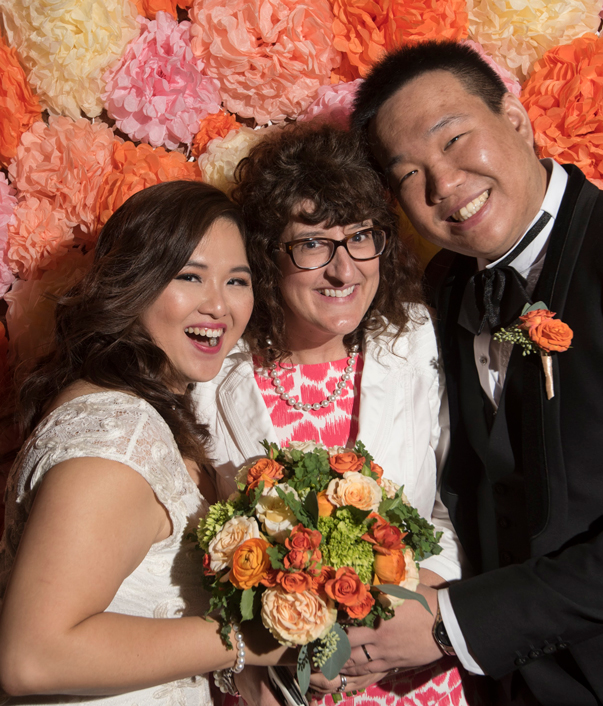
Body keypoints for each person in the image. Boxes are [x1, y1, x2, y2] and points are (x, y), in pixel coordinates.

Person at [336, 39, 603, 706]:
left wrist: (453, 624)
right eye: (409, 175)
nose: (443, 185)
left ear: (514, 118)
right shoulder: (439, 291)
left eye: (453, 140)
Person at [193, 123, 479, 706]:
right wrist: (260, 664)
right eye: (314, 244)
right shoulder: (213, 370)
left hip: (416, 676)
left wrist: (420, 604)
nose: (344, 270)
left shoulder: (415, 341)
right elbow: (191, 560)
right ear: (268, 252)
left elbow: (458, 509)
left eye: (361, 237)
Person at [0, 181, 292, 704]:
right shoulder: (117, 435)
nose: (219, 306)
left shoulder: (144, 410)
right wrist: (248, 639)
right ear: (132, 282)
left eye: (237, 280)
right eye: (190, 276)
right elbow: (32, 657)